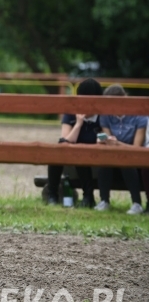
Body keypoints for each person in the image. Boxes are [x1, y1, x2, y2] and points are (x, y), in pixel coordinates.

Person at [47, 78, 101, 207]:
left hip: (96, 156)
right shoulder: (71, 113)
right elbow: (65, 142)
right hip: (74, 155)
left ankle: (88, 197)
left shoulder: (103, 116)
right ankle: (52, 195)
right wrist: (78, 124)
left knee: (80, 152)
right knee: (57, 151)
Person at [96, 84, 146, 214]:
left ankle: (136, 203)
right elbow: (108, 140)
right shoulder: (106, 116)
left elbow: (137, 147)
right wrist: (105, 141)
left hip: (133, 156)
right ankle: (104, 200)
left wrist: (118, 144)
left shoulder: (139, 115)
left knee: (125, 159)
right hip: (113, 154)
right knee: (105, 159)